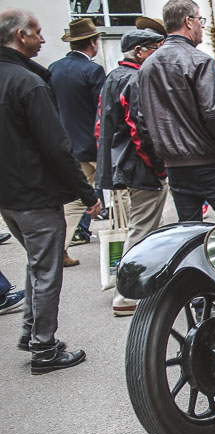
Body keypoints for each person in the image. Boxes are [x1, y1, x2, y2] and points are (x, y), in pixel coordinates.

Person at [0, 8, 99, 373]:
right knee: (46, 271)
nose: (44, 39)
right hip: (35, 193)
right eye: (38, 32)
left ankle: (32, 334)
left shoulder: (22, 78)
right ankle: (43, 347)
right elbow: (56, 147)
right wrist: (87, 195)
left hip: (10, 196)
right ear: (20, 35)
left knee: (37, 265)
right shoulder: (29, 83)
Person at [137, 0, 215, 224]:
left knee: (189, 230)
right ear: (188, 21)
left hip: (174, 164)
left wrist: (162, 155)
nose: (202, 26)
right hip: (209, 161)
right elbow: (214, 113)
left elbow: (143, 120)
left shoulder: (148, 66)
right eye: (200, 20)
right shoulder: (200, 60)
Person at [95, 27, 169, 317]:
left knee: (138, 227)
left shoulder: (114, 76)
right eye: (154, 48)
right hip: (139, 165)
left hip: (123, 162)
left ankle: (127, 287)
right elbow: (141, 129)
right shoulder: (135, 78)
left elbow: (103, 126)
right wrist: (158, 167)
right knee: (141, 231)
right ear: (140, 52)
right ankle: (126, 294)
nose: (158, 53)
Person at [48, 18, 106, 267]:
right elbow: (102, 110)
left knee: (71, 202)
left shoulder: (53, 68)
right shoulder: (93, 70)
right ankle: (122, 252)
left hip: (68, 144)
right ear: (93, 43)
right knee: (119, 200)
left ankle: (58, 250)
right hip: (94, 145)